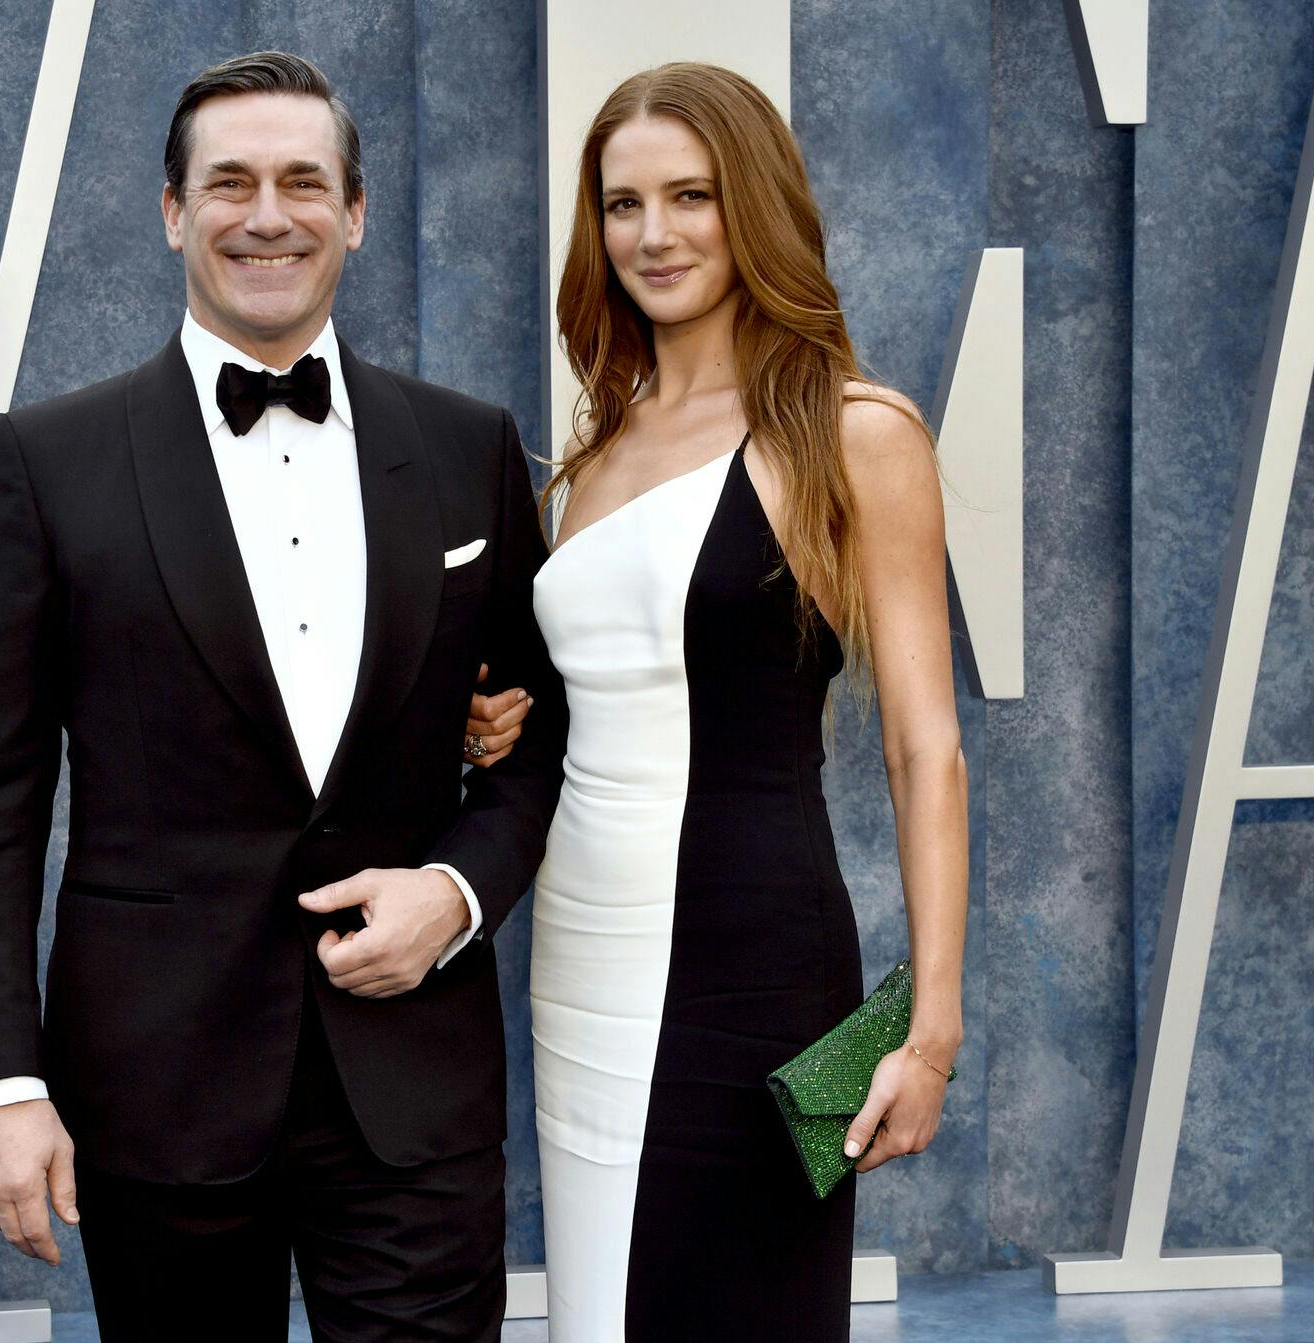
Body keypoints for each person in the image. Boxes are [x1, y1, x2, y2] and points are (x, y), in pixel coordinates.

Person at [0, 50, 565, 1341]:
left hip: (412, 1080)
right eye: (229, 182)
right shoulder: (46, 462)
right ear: (174, 211)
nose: (266, 214)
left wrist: (453, 892)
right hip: (156, 1084)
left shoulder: (469, 446)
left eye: (301, 182)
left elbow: (538, 733)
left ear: (356, 211)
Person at [528, 63, 969, 1341]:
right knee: (599, 1312)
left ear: (756, 208)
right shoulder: (596, 446)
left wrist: (930, 1029)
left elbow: (922, 742)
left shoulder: (857, 431)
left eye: (692, 196)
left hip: (757, 962)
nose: (653, 234)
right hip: (576, 954)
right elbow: (586, 698)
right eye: (622, 204)